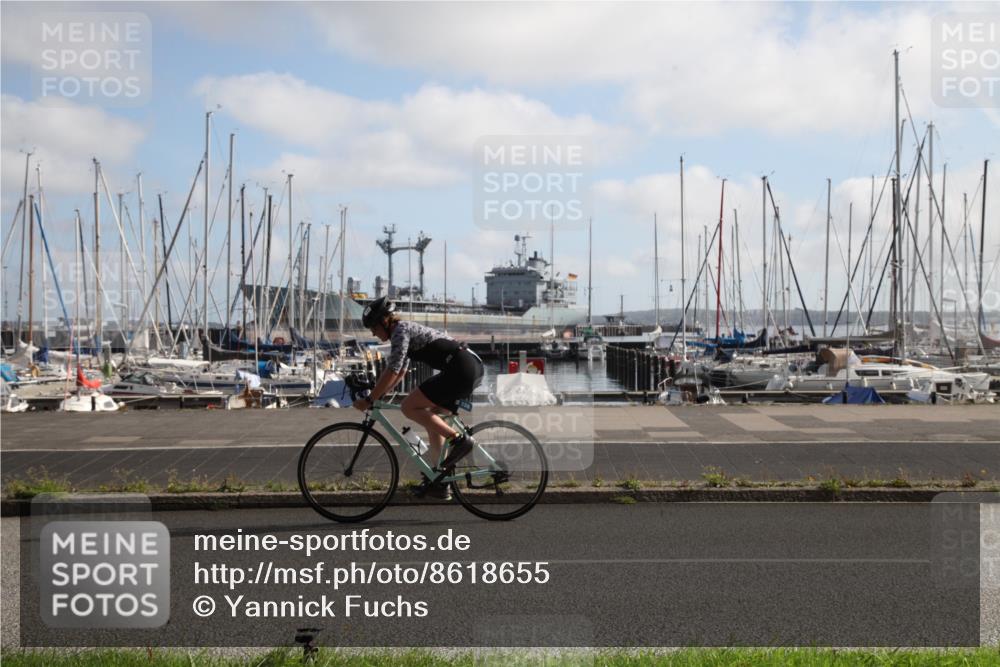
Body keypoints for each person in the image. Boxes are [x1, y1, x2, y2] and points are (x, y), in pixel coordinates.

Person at [354, 296, 483, 499]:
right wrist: (379, 396)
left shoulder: (400, 331)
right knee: (433, 420)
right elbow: (400, 372)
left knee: (409, 407)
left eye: (373, 327)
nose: (373, 332)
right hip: (468, 367)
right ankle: (441, 481)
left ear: (384, 321)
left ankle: (459, 440)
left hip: (460, 368)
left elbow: (393, 369)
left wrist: (370, 399)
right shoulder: (402, 332)